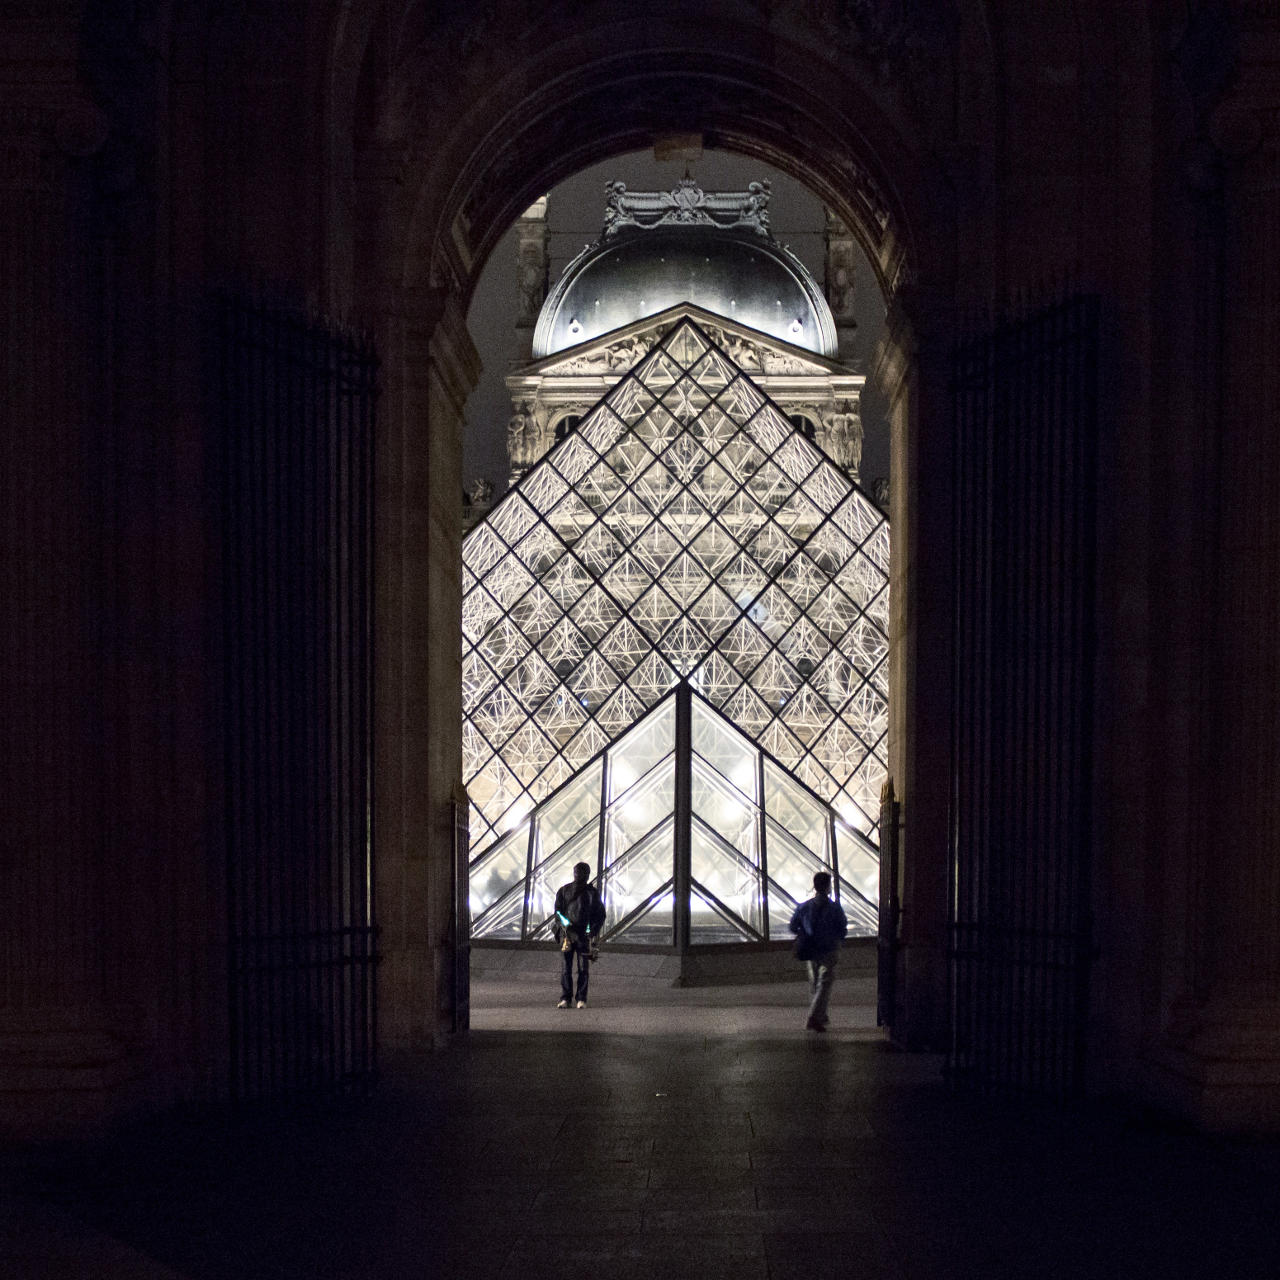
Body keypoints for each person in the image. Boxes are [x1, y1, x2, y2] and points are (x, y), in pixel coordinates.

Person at [789, 871, 848, 1031]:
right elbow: (842, 928)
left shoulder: (804, 907)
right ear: (828, 887)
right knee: (825, 984)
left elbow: (793, 926)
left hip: (810, 950)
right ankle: (814, 1017)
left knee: (815, 984)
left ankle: (820, 1015)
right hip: (829, 950)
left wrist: (804, 932)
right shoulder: (835, 908)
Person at [552, 862, 606, 1009]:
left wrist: (592, 932)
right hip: (568, 935)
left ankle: (580, 998)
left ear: (587, 875)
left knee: (583, 969)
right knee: (566, 968)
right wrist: (566, 925)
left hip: (582, 935)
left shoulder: (591, 893)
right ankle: (567, 998)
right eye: (576, 872)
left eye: (581, 873)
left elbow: (600, 915)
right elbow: (557, 913)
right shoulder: (564, 891)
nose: (578, 875)